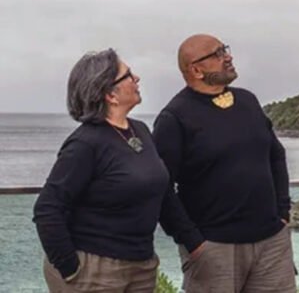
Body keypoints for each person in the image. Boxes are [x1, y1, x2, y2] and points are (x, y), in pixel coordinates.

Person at [33, 49, 203, 292]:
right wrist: (70, 268)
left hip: (142, 264)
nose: (137, 79)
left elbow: (162, 192)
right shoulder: (85, 143)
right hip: (95, 270)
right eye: (129, 75)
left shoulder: (140, 130)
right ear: (110, 94)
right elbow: (48, 209)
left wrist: (192, 240)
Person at [153, 34, 295, 293]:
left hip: (272, 242)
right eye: (217, 54)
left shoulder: (248, 101)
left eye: (225, 50)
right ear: (196, 69)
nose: (227, 57)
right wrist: (191, 241)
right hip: (213, 247)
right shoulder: (174, 117)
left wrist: (283, 212)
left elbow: (275, 154)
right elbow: (161, 188)